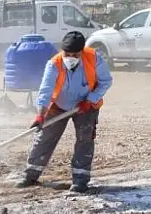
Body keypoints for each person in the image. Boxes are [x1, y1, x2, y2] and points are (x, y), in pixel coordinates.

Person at [17, 31, 113, 193]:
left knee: (85, 140)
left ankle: (80, 179)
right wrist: (41, 115)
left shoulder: (94, 58)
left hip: (86, 106)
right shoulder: (54, 64)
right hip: (58, 105)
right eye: (67, 54)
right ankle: (31, 174)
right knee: (44, 137)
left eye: (74, 54)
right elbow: (45, 91)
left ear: (82, 51)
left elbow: (106, 81)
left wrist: (90, 99)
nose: (70, 57)